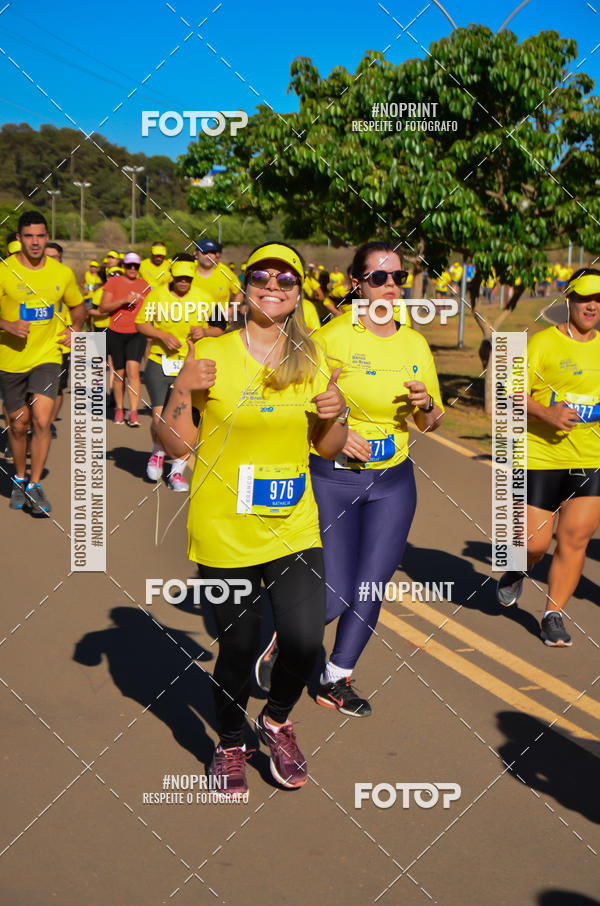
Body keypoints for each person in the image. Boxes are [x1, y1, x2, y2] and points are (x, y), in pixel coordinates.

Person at [158, 241, 348, 798]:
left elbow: (328, 448)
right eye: (261, 276)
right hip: (224, 528)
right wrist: (182, 389)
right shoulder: (213, 352)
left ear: (296, 294)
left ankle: (278, 719)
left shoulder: (311, 364)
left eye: (285, 280)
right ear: (245, 286)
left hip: (292, 523)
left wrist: (334, 417)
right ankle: (231, 740)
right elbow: (172, 444)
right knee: (238, 648)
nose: (273, 286)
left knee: (305, 639)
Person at [255, 241, 444, 716]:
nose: (390, 287)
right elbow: (300, 410)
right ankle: (281, 632)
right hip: (334, 478)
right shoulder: (332, 338)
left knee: (371, 586)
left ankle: (337, 677)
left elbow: (433, 421)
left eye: (398, 277)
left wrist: (426, 406)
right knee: (336, 591)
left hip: (393, 482)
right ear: (356, 283)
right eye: (378, 277)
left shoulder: (415, 343)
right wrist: (339, 431)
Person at [496, 268, 600, 646]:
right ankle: (518, 568)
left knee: (575, 538)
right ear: (569, 299)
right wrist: (548, 413)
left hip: (591, 459)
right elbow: (508, 393)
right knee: (534, 544)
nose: (592, 306)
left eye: (599, 300)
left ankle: (553, 614)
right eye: (586, 297)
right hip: (540, 456)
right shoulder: (540, 344)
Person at [0, 211, 85, 514]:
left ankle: (35, 486)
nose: (35, 242)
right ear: (19, 238)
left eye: (40, 236)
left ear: (47, 236)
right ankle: (20, 478)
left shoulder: (61, 273)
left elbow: (78, 307)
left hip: (48, 356)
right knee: (18, 425)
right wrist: (7, 325)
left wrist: (74, 330)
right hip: (10, 360)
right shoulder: (4, 270)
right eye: (29, 236)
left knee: (41, 419)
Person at [135, 254, 222, 491]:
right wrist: (162, 335)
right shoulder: (157, 295)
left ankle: (176, 472)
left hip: (190, 367)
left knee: (189, 420)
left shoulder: (205, 298)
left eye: (188, 278)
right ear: (172, 276)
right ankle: (157, 452)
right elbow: (140, 323)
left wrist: (205, 332)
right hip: (159, 363)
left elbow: (220, 329)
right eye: (180, 277)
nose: (184, 282)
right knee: (159, 417)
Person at [99, 251, 149, 425]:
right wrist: (122, 301)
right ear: (124, 266)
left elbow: (151, 310)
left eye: (136, 266)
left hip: (136, 333)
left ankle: (133, 412)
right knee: (119, 374)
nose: (133, 269)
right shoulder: (114, 282)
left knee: (133, 372)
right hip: (116, 332)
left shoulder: (144, 285)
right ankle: (119, 409)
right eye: (129, 265)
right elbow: (103, 308)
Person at [44, 242, 74, 438]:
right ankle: (31, 427)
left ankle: (48, 423)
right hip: (36, 344)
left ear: (61, 258)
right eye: (48, 256)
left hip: (61, 343)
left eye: (55, 256)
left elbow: (79, 307)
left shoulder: (66, 278)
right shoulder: (30, 278)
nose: (51, 260)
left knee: (57, 389)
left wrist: (74, 330)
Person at [193, 238, 243, 330]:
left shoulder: (226, 273)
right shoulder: (188, 270)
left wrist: (232, 309)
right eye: (205, 252)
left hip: (219, 329)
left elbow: (239, 292)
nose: (209, 256)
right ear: (195, 254)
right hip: (191, 328)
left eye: (212, 253)